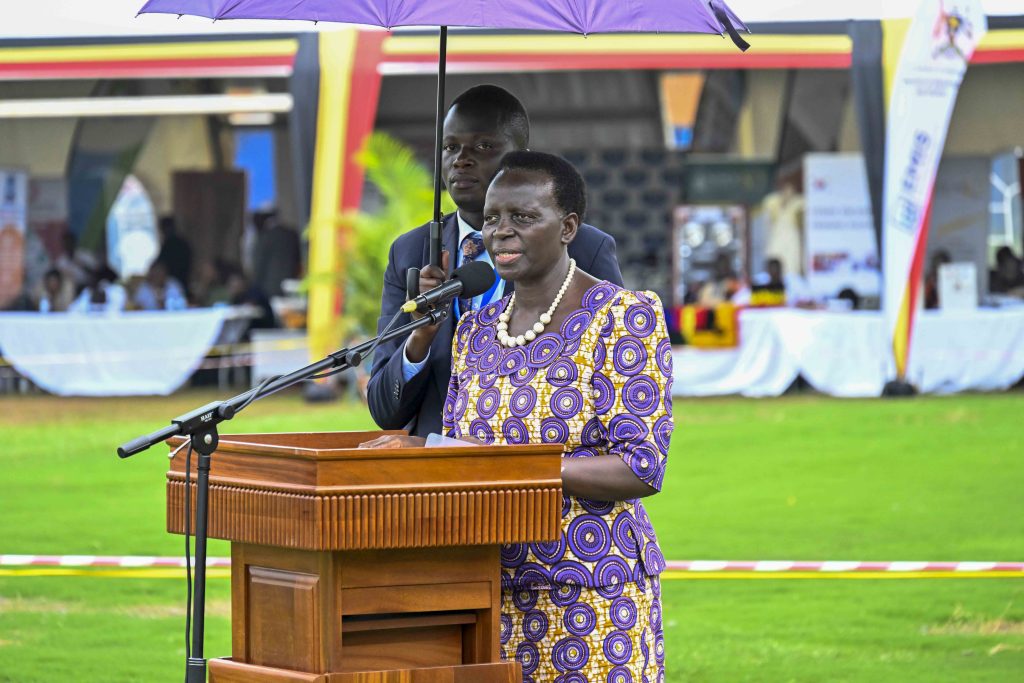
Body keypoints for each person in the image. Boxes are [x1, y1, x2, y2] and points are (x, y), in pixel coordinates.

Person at [364, 152, 672, 679]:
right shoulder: (475, 330)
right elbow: (461, 458)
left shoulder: (623, 316)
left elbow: (639, 469)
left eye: (523, 218)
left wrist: (495, 464)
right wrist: (424, 456)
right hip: (482, 596)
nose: (500, 233)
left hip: (589, 594)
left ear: (569, 227)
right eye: (491, 219)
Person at [366, 85, 623, 437]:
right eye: (450, 147)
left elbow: (614, 392)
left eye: (483, 146)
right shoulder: (410, 253)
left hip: (540, 470)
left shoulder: (584, 247)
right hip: (436, 482)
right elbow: (385, 411)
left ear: (521, 157)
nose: (461, 160)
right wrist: (419, 339)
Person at [155, 216, 193, 295]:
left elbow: (161, 262)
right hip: (183, 281)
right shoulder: (183, 243)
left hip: (176, 282)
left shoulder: (169, 245)